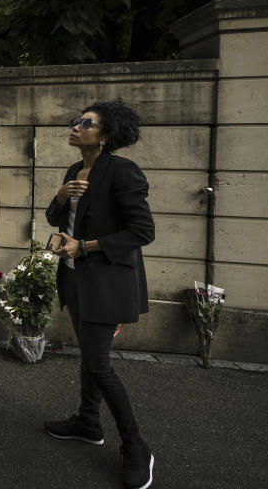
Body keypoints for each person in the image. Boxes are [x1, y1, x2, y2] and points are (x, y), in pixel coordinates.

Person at [44, 99, 155, 489]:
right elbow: (59, 218)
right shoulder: (76, 169)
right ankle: (88, 423)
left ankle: (137, 448)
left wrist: (85, 246)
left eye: (86, 123)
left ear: (105, 135)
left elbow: (142, 232)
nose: (76, 126)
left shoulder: (122, 172)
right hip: (74, 278)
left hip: (105, 282)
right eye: (77, 121)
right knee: (92, 359)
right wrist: (59, 199)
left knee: (99, 365)